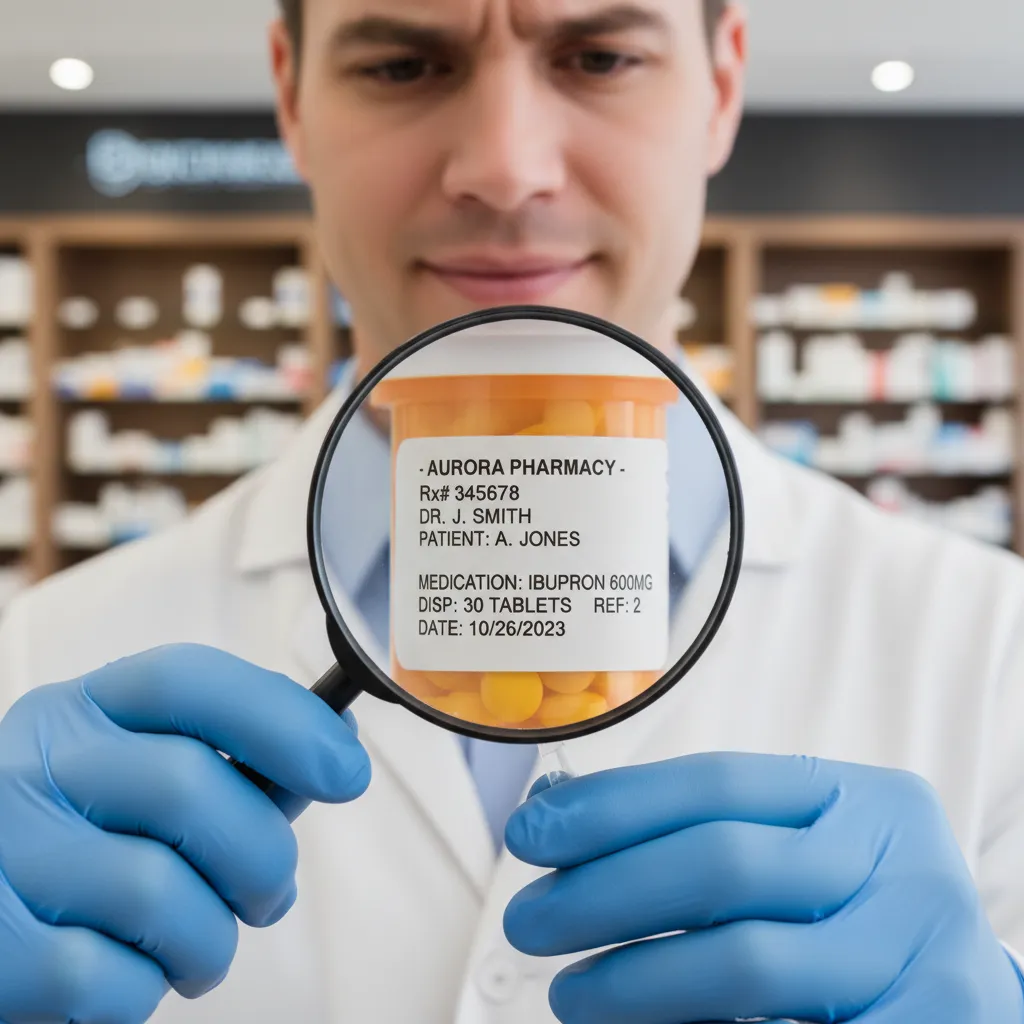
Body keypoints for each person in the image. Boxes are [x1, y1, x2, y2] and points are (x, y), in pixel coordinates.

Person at [1, 1, 1023, 1021]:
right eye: (404, 65)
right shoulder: (39, 656)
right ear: (291, 99)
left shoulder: (991, 649)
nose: (503, 167)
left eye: (600, 56)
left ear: (720, 85)